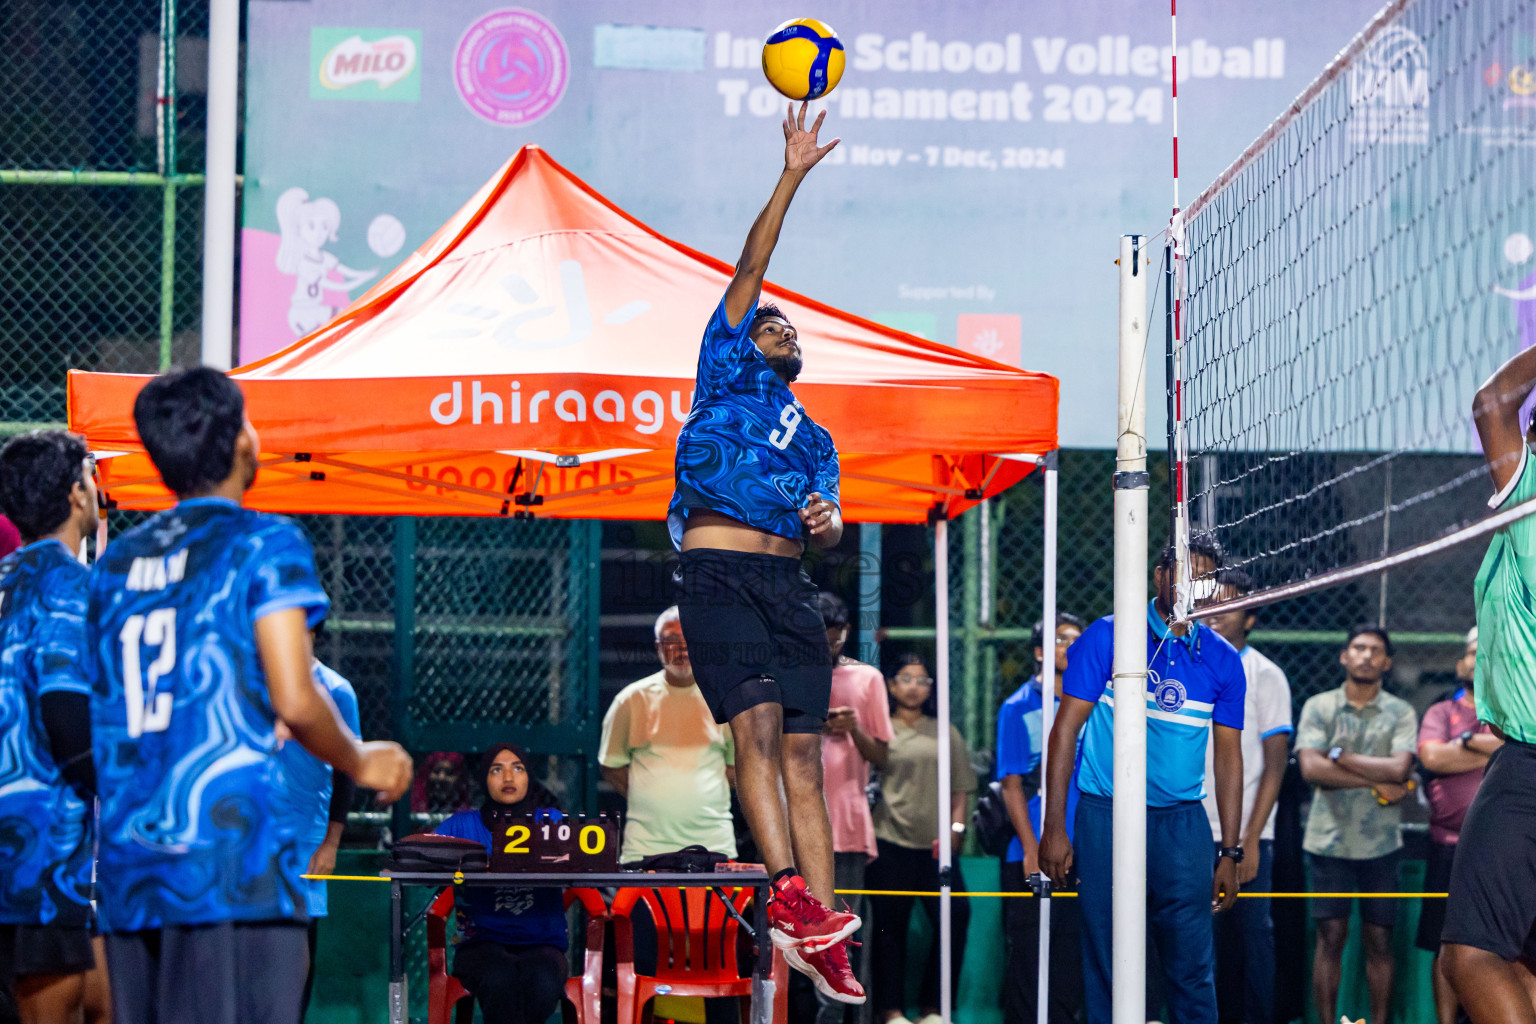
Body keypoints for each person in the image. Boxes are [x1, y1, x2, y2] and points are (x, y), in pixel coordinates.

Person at [86, 367, 413, 1024]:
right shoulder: (264, 542)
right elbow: (296, 697)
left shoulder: (115, 562)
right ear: (240, 441)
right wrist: (360, 759)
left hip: (130, 861)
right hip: (230, 863)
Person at [668, 101, 859, 1002]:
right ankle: (785, 897)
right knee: (751, 728)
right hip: (717, 572)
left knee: (804, 759)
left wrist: (828, 527)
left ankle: (822, 929)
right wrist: (791, 173)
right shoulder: (724, 363)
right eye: (773, 322)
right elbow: (754, 263)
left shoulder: (815, 436)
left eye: (791, 327)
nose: (784, 327)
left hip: (786, 582)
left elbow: (837, 521)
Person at [1039, 533, 1246, 1024]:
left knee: (1192, 967)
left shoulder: (1223, 659)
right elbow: (1065, 730)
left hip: (1182, 826)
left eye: (1204, 577)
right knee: (1111, 961)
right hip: (1105, 815)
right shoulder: (1109, 636)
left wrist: (1230, 850)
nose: (1192, 585)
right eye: (1182, 572)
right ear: (1158, 575)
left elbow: (1229, 758)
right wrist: (1054, 828)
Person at [0, 432, 110, 1024]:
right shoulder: (70, 586)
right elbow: (65, 712)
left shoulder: (7, 578)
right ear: (75, 493)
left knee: (103, 998)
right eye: (93, 476)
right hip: (39, 850)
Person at [1443, 346, 1536, 1022]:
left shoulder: (1528, 497)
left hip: (1530, 763)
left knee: (1471, 954)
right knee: (1519, 954)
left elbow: (1491, 403)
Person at [1294, 624, 1417, 1024]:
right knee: (1330, 939)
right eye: (1358, 648)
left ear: (1387, 662)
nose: (1365, 655)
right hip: (1328, 842)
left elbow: (1401, 767)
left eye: (1375, 650)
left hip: (1381, 844)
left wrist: (1340, 757)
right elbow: (1311, 769)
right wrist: (1377, 780)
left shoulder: (1401, 711)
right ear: (1344, 656)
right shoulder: (1319, 706)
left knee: (1380, 940)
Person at [1200, 569, 1292, 1024]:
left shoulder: (1266, 675)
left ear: (1250, 619)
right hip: (1192, 830)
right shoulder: (1189, 664)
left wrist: (1249, 840)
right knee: (1199, 944)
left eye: (1230, 605)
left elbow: (1275, 766)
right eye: (1211, 603)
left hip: (1247, 836)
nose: (1217, 614)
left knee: (1254, 939)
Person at [865, 653, 976, 1024]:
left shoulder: (946, 731)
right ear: (892, 685)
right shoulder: (879, 730)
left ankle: (934, 1008)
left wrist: (955, 833)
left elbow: (961, 791)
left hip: (936, 848)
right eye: (906, 678)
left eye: (922, 680)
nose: (914, 686)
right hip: (888, 841)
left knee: (956, 916)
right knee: (888, 928)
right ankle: (890, 1010)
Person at [434, 744, 569, 1024]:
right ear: (484, 778)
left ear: (529, 777)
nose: (508, 778)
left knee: (543, 981)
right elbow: (419, 860)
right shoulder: (460, 826)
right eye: (497, 770)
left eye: (517, 768)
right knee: (499, 978)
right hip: (480, 944)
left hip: (542, 944)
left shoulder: (552, 822)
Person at [996, 612, 1086, 1024]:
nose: (1069, 645)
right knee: (1030, 954)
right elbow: (1012, 785)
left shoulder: (1098, 702)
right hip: (1030, 851)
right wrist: (1032, 849)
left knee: (1071, 953)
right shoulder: (1018, 707)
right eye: (1060, 639)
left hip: (1085, 843)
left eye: (1076, 639)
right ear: (1038, 651)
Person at [599, 606, 736, 863]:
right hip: (645, 848)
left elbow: (738, 769)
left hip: (715, 846)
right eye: (672, 640)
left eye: (690, 640)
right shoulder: (630, 700)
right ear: (658, 647)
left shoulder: (724, 699)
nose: (682, 649)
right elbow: (611, 767)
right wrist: (649, 798)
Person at [271, 631, 361, 1020]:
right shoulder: (245, 680)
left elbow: (347, 770)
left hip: (305, 840)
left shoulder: (336, 690)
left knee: (295, 947)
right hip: (247, 836)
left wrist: (331, 842)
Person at [816, 592, 892, 1024]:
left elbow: (883, 756)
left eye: (835, 638)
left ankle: (852, 1018)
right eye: (821, 638)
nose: (829, 647)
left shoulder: (867, 679)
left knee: (845, 932)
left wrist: (851, 728)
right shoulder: (789, 672)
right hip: (791, 826)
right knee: (794, 933)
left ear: (844, 634)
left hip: (844, 825)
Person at [1417, 626, 1497, 1024]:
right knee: (1445, 943)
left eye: (1486, 650)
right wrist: (1490, 750)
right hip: (1448, 845)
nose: (1477, 657)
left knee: (1502, 946)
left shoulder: (1513, 710)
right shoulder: (1440, 712)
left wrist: (1465, 746)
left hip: (1502, 849)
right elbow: (1433, 759)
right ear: (1460, 663)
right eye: (1470, 651)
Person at [412, 751, 474, 815]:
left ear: (459, 779)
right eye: (436, 771)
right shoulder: (414, 810)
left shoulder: (467, 815)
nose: (441, 777)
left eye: (449, 773)